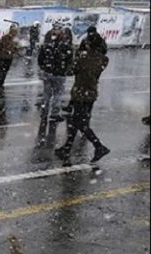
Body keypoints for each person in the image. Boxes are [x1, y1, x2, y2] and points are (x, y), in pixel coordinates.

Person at [54, 28, 110, 164]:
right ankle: (66, 148)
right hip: (90, 93)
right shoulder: (103, 59)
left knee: (79, 123)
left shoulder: (82, 58)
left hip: (80, 93)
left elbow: (70, 71)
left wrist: (75, 56)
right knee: (76, 121)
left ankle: (99, 146)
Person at [38, 25, 73, 122]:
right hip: (59, 74)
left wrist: (44, 67)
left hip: (48, 72)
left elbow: (40, 59)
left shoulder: (46, 46)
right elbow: (69, 60)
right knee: (58, 94)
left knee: (46, 94)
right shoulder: (66, 47)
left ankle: (44, 112)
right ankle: (54, 113)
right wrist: (65, 69)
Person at [0, 26, 18, 93]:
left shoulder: (14, 40)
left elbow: (15, 49)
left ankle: (1, 83)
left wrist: (15, 50)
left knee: (5, 71)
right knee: (1, 71)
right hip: (2, 57)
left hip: (9, 58)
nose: (15, 34)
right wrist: (5, 51)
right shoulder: (5, 37)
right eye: (14, 32)